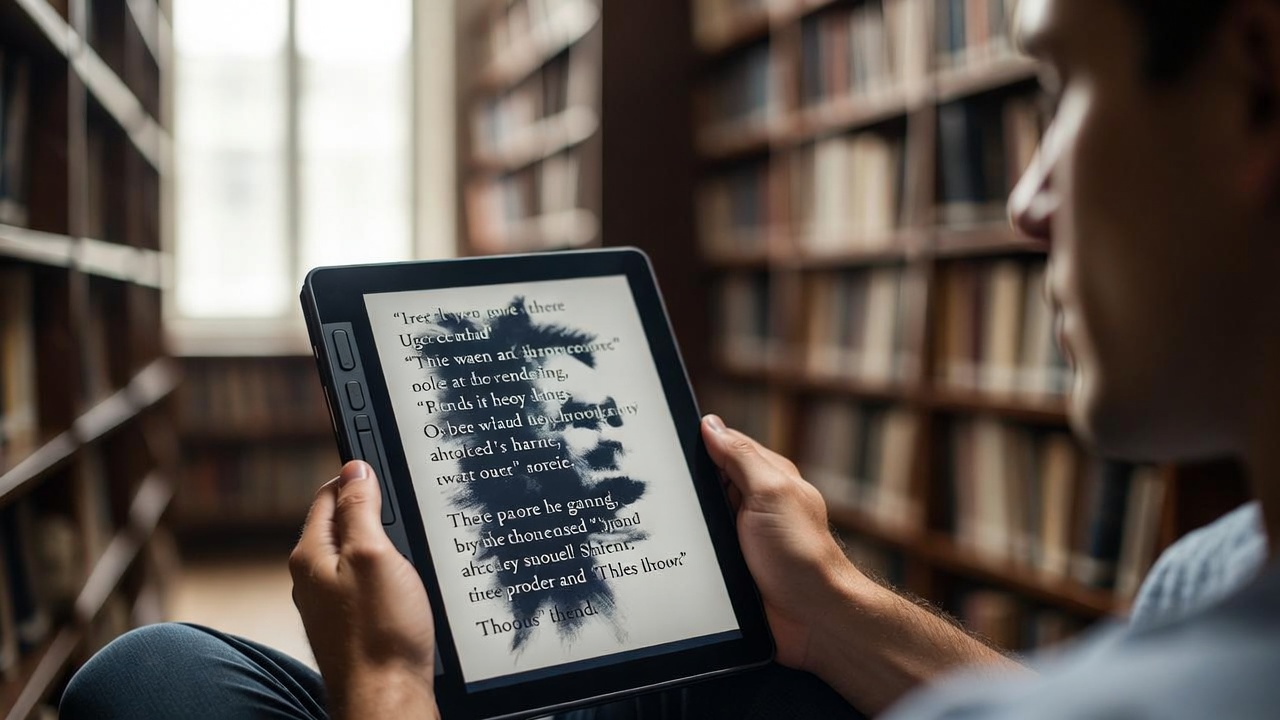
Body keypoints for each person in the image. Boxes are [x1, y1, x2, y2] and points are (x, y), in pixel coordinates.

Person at [59, 0, 1280, 716]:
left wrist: (386, 688)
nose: (1023, 200)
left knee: (156, 679)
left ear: (1251, 77)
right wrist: (839, 607)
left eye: (1063, 85)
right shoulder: (1218, 570)